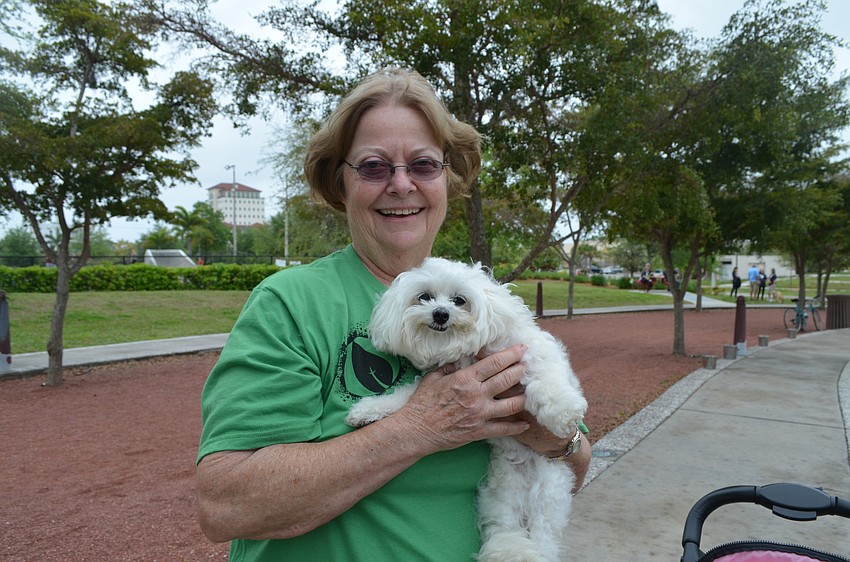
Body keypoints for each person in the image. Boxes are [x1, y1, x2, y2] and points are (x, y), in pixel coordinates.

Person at [195, 68, 591, 562]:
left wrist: (551, 434)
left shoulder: (484, 302)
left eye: (423, 165)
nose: (401, 185)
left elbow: (574, 465)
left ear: (448, 177)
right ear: (340, 181)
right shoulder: (290, 303)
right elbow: (225, 504)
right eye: (375, 167)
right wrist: (420, 427)